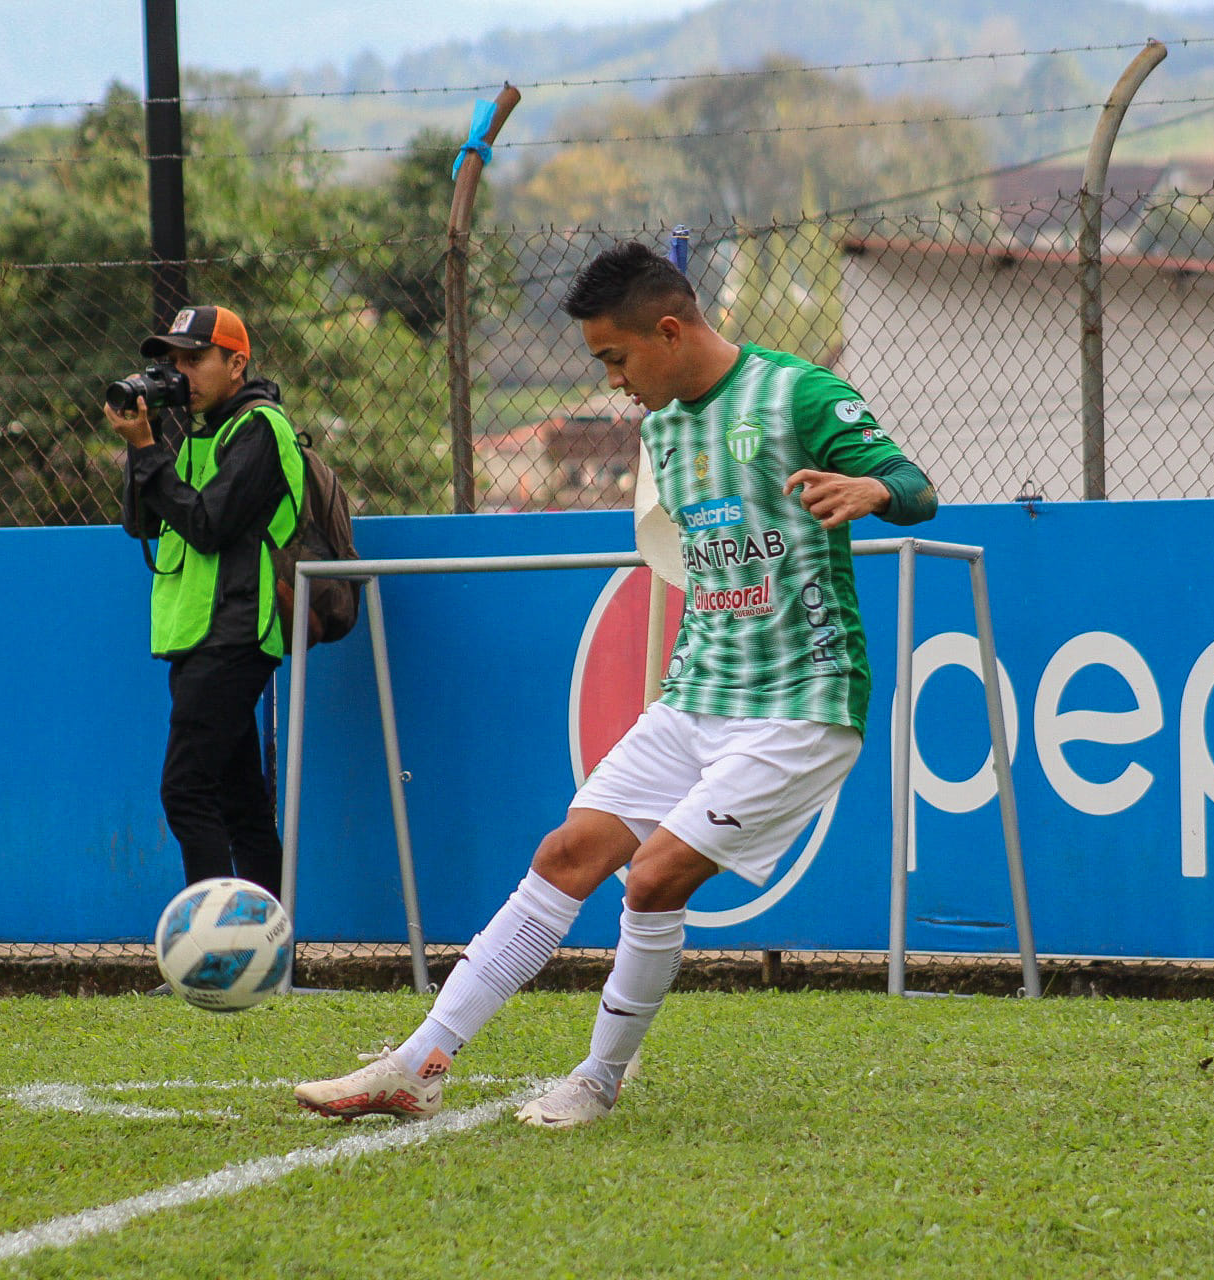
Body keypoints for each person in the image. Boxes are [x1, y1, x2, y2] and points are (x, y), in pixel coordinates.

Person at [293, 241, 938, 1129]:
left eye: (617, 359)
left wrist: (871, 489)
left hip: (800, 707)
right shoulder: (664, 429)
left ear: (668, 331)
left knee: (653, 878)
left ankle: (597, 1080)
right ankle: (418, 1063)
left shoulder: (798, 394)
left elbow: (917, 485)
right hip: (696, 697)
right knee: (565, 856)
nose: (615, 381)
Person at [108, 304, 304, 901]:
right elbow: (141, 524)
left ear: (236, 362)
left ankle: (215, 946)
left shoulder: (261, 428)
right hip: (194, 636)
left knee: (186, 789)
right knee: (241, 801)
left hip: (235, 632)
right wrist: (145, 444)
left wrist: (148, 451)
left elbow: (208, 525)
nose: (179, 373)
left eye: (194, 360)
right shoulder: (197, 436)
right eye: (172, 362)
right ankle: (270, 954)